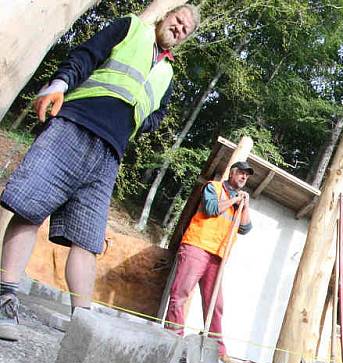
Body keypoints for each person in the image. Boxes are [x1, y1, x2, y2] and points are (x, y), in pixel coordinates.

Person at [0, 4, 200, 341]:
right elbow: (86, 55)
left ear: (184, 39)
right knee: (28, 210)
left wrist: (134, 123)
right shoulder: (131, 28)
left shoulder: (167, 74)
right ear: (166, 17)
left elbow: (157, 116)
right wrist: (60, 83)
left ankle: (83, 323)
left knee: (87, 241)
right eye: (177, 21)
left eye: (185, 30)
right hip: (73, 125)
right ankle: (5, 296)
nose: (178, 28)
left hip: (109, 155)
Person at [165, 161, 254, 363]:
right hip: (197, 246)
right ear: (232, 173)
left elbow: (245, 228)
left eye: (246, 176)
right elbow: (211, 208)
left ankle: (219, 352)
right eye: (241, 173)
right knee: (180, 294)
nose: (243, 177)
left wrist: (245, 205)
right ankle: (172, 341)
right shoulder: (213, 187)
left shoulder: (240, 202)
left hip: (218, 255)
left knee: (216, 304)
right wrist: (233, 200)